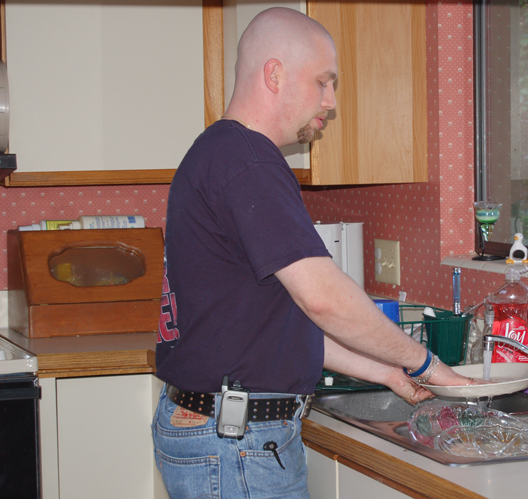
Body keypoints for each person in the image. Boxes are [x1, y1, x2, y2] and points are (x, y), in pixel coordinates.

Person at [152, 7, 473, 499]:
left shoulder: (219, 153)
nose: (332, 101)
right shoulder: (250, 161)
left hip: (220, 432)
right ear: (275, 74)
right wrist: (426, 364)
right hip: (237, 443)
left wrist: (388, 372)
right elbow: (322, 300)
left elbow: (272, 330)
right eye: (324, 82)